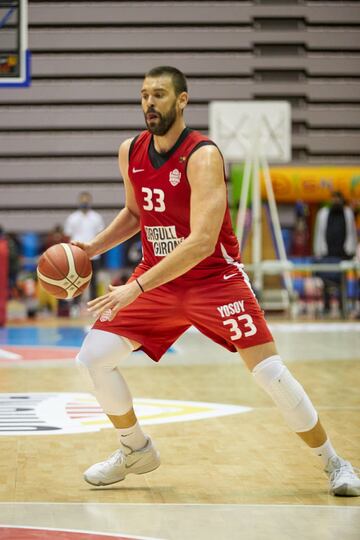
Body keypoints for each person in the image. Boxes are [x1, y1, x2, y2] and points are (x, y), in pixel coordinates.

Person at [73, 66, 360, 496]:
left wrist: (135, 287)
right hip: (160, 280)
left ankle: (335, 462)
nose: (149, 103)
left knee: (270, 373)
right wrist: (89, 250)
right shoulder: (129, 150)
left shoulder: (203, 155)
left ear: (182, 100)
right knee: (93, 356)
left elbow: (203, 241)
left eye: (159, 95)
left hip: (213, 279)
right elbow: (135, 214)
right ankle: (135, 448)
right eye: (144, 95)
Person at [313, 191, 357, 314]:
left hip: (342, 254)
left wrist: (351, 251)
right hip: (327, 254)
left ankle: (343, 307)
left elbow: (351, 232)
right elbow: (319, 233)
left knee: (342, 282)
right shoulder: (323, 214)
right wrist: (318, 252)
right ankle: (327, 307)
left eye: (338, 198)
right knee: (326, 282)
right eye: (334, 198)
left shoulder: (347, 213)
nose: (335, 201)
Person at [64, 192, 104, 303]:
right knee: (77, 280)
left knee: (94, 280)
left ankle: (93, 303)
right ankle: (75, 305)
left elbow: (101, 235)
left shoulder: (96, 217)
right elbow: (68, 235)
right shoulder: (72, 218)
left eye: (86, 200)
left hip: (94, 254)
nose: (84, 202)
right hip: (77, 254)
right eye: (82, 200)